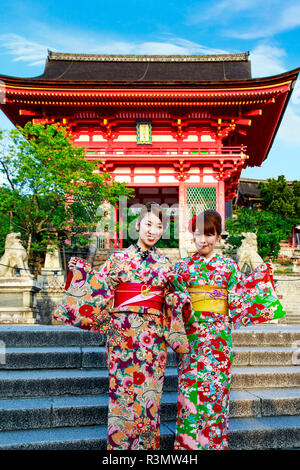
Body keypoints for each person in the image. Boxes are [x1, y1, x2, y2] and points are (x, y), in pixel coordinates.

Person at [53, 202, 190, 450]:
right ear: (137, 226)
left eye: (159, 227)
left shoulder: (166, 265)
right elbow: (97, 287)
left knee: (151, 397)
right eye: (148, 224)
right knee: (122, 395)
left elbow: (174, 299)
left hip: (153, 339)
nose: (153, 230)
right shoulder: (118, 260)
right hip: (122, 337)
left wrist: (177, 299)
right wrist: (80, 274)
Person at [167, 209, 286, 451]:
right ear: (193, 235)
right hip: (191, 339)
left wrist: (263, 279)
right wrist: (180, 303)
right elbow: (170, 297)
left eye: (209, 235)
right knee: (189, 395)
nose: (203, 240)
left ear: (218, 237)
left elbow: (241, 299)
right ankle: (188, 448)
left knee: (216, 396)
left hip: (219, 340)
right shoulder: (182, 267)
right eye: (198, 234)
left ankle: (214, 445)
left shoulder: (228, 267)